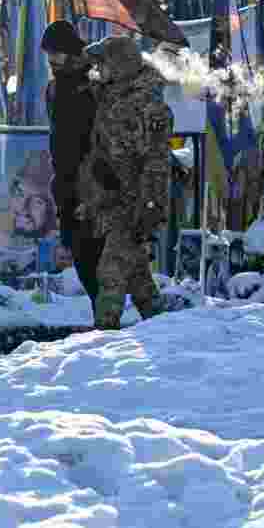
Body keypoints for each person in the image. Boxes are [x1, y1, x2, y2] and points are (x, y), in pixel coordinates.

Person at [76, 36, 172, 330]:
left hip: (137, 202)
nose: (97, 70)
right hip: (113, 200)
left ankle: (104, 335)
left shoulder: (148, 106)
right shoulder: (107, 97)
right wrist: (92, 199)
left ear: (120, 66)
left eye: (103, 63)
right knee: (138, 278)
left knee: (112, 270)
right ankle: (165, 330)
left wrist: (150, 205)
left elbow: (156, 162)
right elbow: (100, 154)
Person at [41, 19, 106, 310]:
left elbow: (100, 138)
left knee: (97, 255)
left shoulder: (91, 86)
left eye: (56, 53)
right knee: (80, 255)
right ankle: (102, 316)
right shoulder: (53, 90)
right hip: (65, 183)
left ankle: (108, 323)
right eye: (48, 54)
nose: (52, 60)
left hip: (91, 181)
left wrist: (94, 184)